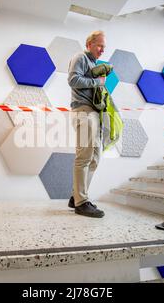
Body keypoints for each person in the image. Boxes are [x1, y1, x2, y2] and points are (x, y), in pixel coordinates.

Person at [67, 31, 107, 218]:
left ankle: (77, 196)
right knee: (84, 155)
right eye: (99, 45)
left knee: (95, 157)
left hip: (93, 111)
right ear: (89, 43)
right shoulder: (80, 57)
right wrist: (97, 82)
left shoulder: (94, 64)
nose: (102, 50)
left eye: (104, 47)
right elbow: (73, 80)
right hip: (83, 110)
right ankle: (81, 203)